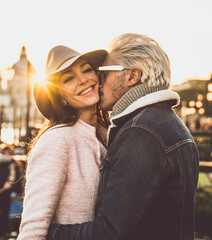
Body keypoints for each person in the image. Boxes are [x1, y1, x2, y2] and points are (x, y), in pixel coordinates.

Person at [47, 33, 199, 240]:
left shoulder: (141, 134)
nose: (97, 83)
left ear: (131, 76)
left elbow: (108, 233)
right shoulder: (172, 125)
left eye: (103, 74)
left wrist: (49, 232)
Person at [17, 45, 109, 239]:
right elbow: (33, 227)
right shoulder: (57, 140)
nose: (83, 79)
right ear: (60, 97)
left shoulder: (105, 136)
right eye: (69, 79)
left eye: (86, 70)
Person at [0, 143, 17, 240]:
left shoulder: (9, 163)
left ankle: (4, 232)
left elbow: (11, 176)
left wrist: (9, 183)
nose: (7, 152)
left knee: (5, 210)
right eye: (6, 150)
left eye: (8, 150)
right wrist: (15, 159)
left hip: (6, 189)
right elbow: (8, 158)